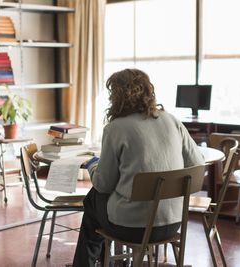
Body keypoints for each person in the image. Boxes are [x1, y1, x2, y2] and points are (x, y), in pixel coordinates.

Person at [72, 69, 205, 267]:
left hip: (132, 228)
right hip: (174, 223)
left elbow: (104, 184)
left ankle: (89, 264)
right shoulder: (171, 120)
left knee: (93, 199)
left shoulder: (115, 128)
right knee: (98, 201)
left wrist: (93, 165)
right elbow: (197, 163)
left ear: (117, 97)